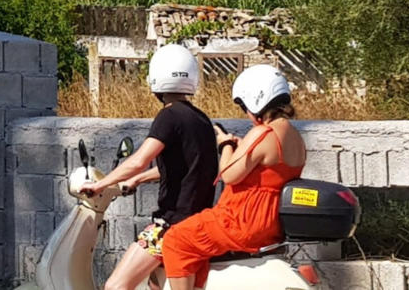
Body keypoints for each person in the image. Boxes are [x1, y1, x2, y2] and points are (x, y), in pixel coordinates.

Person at [76, 44, 218, 290]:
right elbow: (180, 167)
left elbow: (140, 158)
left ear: (156, 79)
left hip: (172, 226)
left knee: (115, 287)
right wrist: (138, 180)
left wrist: (99, 184)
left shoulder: (169, 116)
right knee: (155, 284)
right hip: (196, 223)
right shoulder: (201, 119)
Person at [160, 64, 306, 290]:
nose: (247, 115)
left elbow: (229, 175)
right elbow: (266, 168)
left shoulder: (262, 133)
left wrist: (225, 144)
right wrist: (240, 146)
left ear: (257, 100)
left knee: (175, 240)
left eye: (245, 107)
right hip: (270, 223)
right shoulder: (294, 135)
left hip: (241, 220)